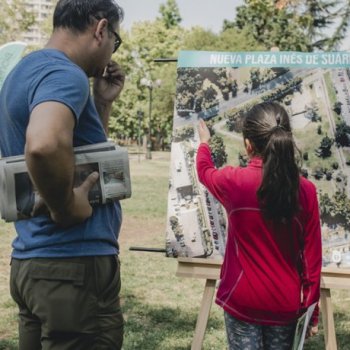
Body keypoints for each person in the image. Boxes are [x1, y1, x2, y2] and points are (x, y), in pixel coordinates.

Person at [0, 0, 126, 349]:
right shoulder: (64, 73)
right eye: (115, 40)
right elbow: (43, 144)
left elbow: (76, 153)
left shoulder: (23, 73)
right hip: (72, 266)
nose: (112, 51)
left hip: (33, 264)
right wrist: (66, 207)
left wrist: (102, 105)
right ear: (100, 29)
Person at [196, 102, 322, 349]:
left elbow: (204, 171)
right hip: (284, 304)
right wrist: (311, 313)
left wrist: (204, 144)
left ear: (248, 144)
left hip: (241, 300)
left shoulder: (234, 182)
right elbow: (312, 261)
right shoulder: (306, 191)